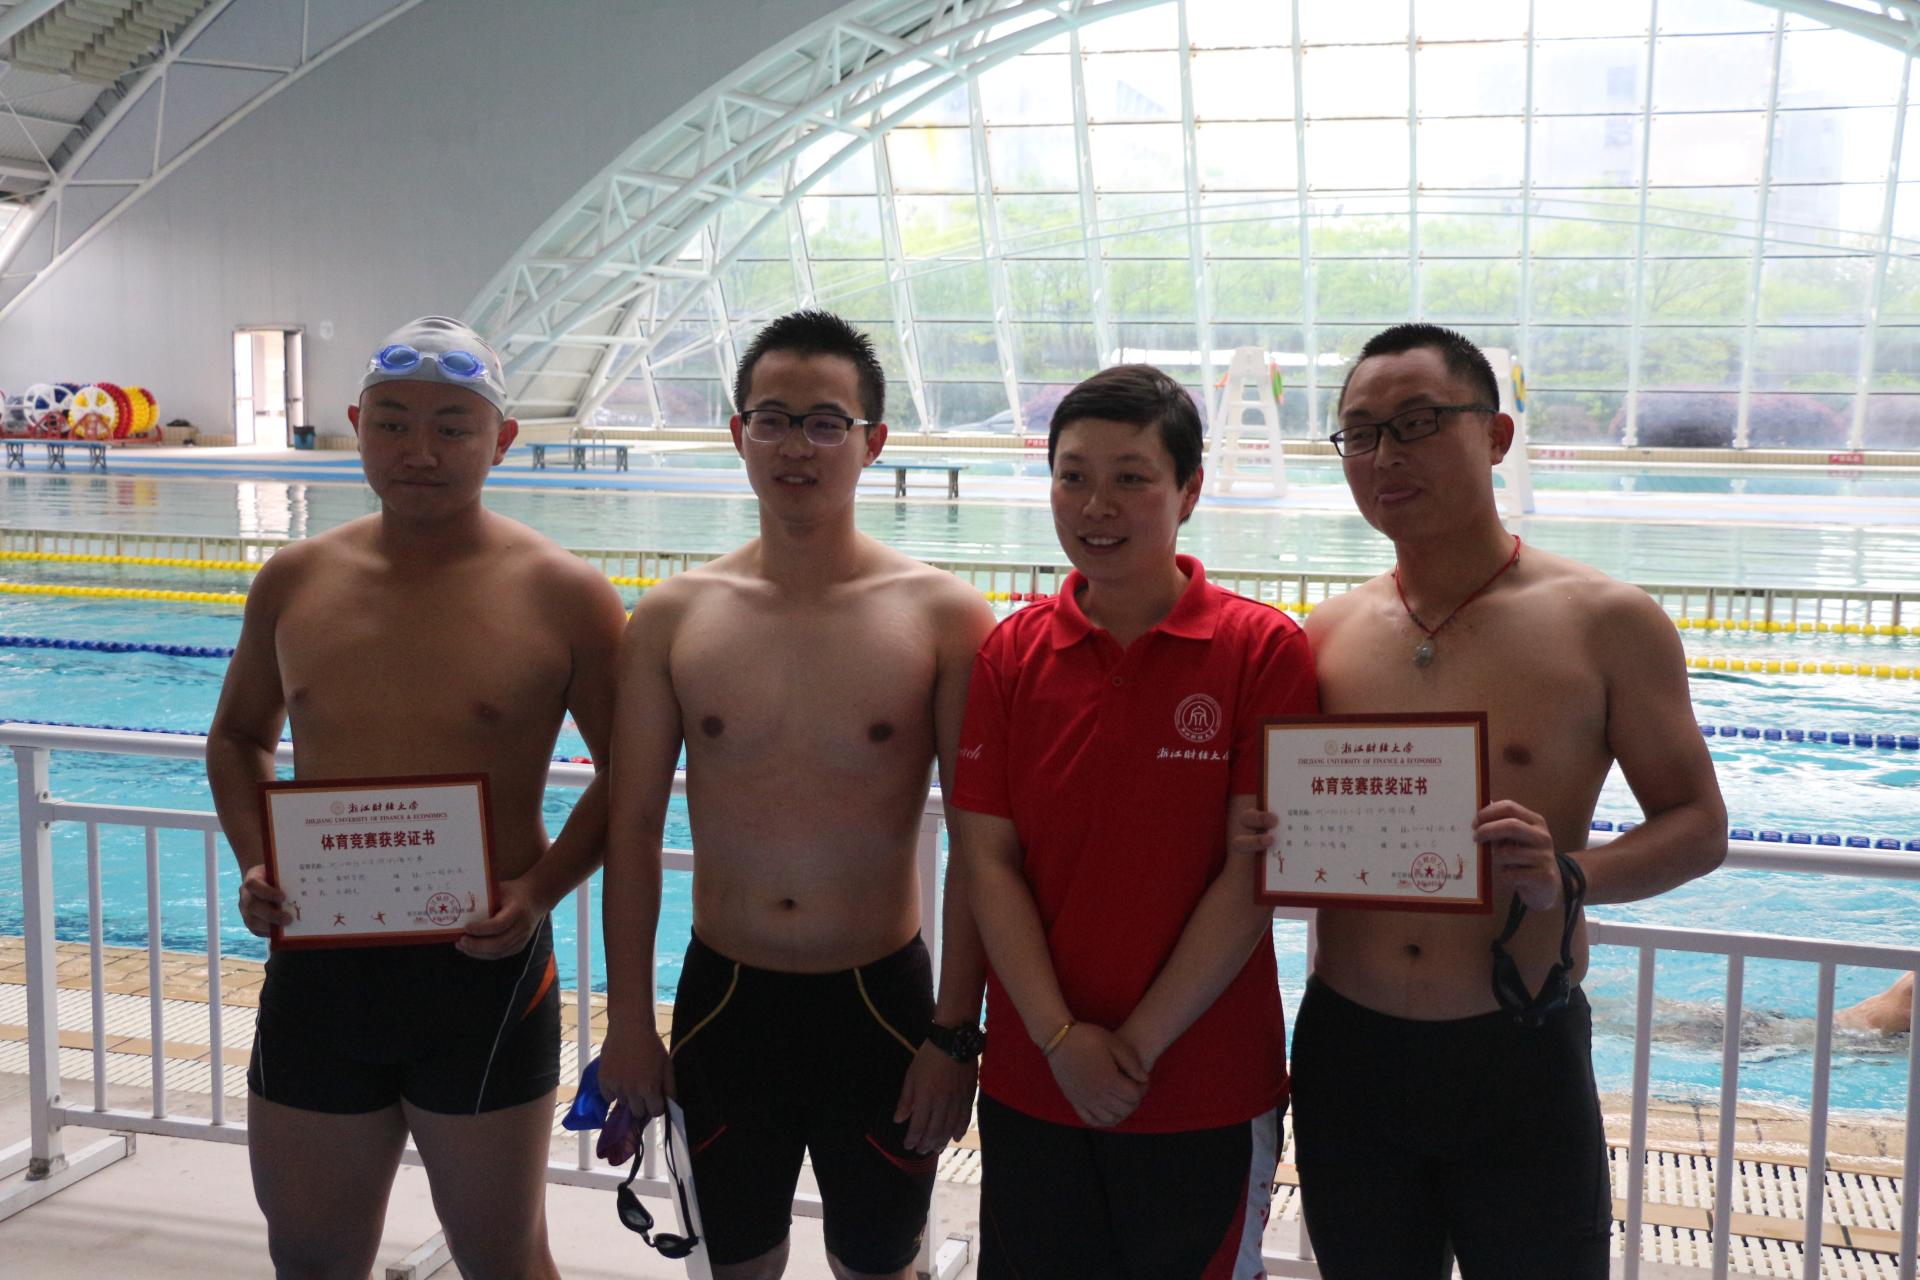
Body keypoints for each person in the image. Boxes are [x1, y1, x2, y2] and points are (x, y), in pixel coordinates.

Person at [1235, 323, 1727, 1278]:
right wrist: (1263, 834)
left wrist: (1569, 875)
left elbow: (1698, 826)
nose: (1386, 455)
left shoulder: (1605, 622)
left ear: (1497, 436)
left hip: (1519, 1044)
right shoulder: (1324, 636)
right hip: (1350, 1046)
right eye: (1361, 433)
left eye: (1418, 422)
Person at [206, 316, 627, 1280]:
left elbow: (629, 775)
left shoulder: (566, 594)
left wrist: (540, 893)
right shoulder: (295, 579)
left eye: (452, 426)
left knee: (502, 1259)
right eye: (393, 423)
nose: (420, 452)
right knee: (310, 1257)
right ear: (358, 427)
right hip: (320, 972)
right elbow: (237, 739)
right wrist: (257, 858)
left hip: (483, 972)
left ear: (502, 439)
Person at [597, 309, 996, 1280]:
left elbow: (982, 840)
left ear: (874, 441)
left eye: (826, 423)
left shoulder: (943, 616)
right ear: (738, 433)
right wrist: (630, 1021)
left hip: (880, 1004)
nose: (796, 446)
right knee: (736, 1264)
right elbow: (633, 826)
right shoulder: (674, 618)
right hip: (727, 1000)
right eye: (772, 419)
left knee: (879, 1263)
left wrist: (954, 1033)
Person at [946, 364, 1319, 1279]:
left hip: (1202, 1083)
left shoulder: (1261, 650)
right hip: (1035, 1078)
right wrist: (1059, 1041)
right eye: (1072, 476)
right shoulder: (1011, 653)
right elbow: (987, 860)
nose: (1096, 505)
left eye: (1130, 478)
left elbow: (1255, 873)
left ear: (1188, 491)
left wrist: (1132, 1048)